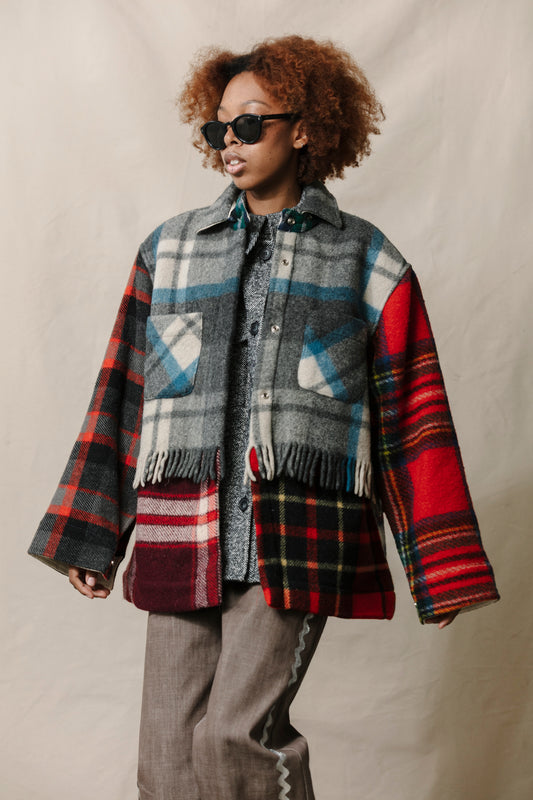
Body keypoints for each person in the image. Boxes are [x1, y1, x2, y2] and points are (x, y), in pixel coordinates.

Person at [28, 35, 499, 800]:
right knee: (167, 755)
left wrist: (439, 570)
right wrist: (94, 531)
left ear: (304, 128)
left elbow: (412, 413)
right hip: (184, 528)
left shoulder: (362, 258)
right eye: (218, 127)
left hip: (298, 533)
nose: (229, 142)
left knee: (234, 737)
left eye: (248, 124)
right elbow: (124, 397)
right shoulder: (170, 251)